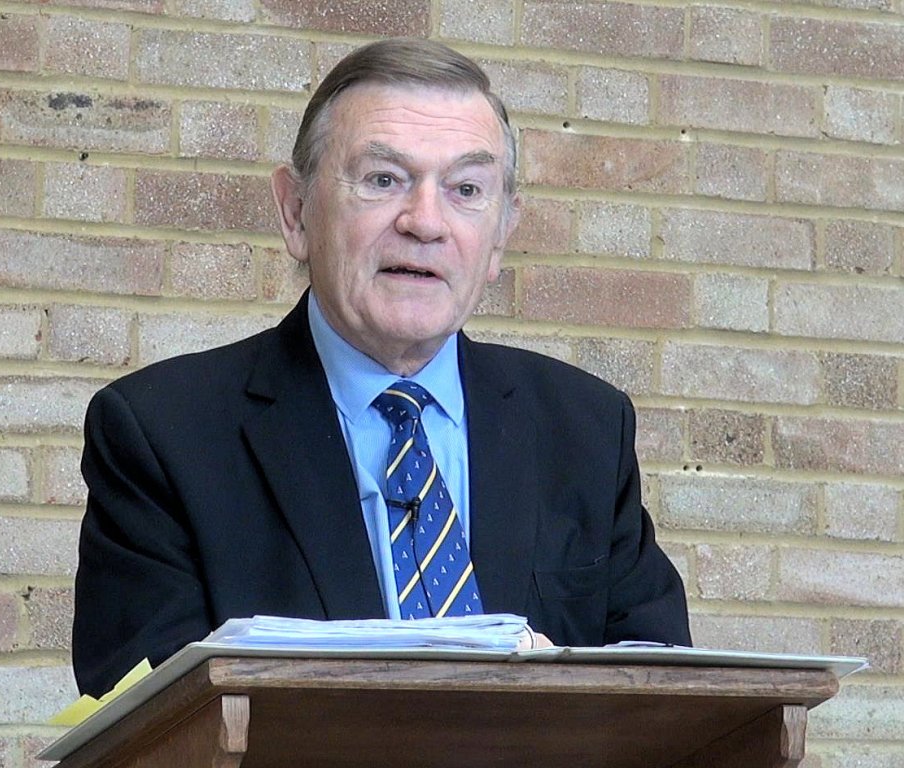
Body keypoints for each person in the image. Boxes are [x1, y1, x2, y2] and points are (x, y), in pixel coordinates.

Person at [72, 38, 691, 697]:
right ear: (295, 212)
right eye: (383, 180)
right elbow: (152, 724)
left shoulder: (586, 429)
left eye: (466, 189)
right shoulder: (162, 435)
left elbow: (668, 700)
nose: (425, 222)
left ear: (500, 236)